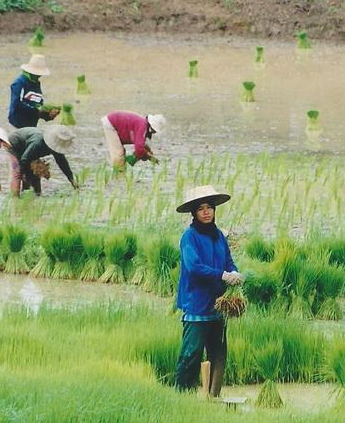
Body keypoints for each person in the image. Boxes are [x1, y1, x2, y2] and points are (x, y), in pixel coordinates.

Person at [174, 185, 244, 397]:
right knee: (191, 354)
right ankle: (181, 397)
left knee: (219, 354)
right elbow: (194, 267)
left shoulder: (219, 236)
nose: (206, 212)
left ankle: (213, 397)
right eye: (201, 208)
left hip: (218, 306)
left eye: (209, 208)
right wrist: (222, 275)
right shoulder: (189, 237)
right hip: (197, 305)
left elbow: (229, 262)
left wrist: (234, 273)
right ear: (194, 212)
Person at [6, 125, 78, 197]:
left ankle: (36, 195)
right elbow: (24, 160)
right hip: (15, 144)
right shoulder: (38, 143)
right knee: (18, 173)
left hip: (29, 148)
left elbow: (62, 163)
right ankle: (15, 199)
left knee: (36, 172)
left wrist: (71, 179)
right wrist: (24, 174)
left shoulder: (55, 147)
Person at [8, 54, 59, 129]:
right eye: (37, 73)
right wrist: (38, 111)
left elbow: (38, 104)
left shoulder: (36, 83)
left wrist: (48, 115)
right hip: (17, 125)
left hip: (32, 127)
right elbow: (16, 104)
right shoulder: (19, 83)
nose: (39, 76)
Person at [101, 111, 166, 168]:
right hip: (110, 123)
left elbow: (143, 146)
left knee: (121, 153)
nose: (153, 133)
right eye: (154, 131)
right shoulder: (142, 126)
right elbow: (139, 149)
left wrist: (147, 153)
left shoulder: (143, 124)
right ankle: (118, 177)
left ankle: (121, 174)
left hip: (114, 122)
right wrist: (150, 157)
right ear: (151, 127)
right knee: (118, 154)